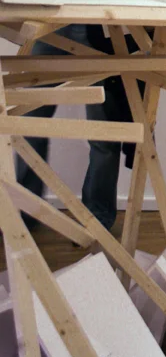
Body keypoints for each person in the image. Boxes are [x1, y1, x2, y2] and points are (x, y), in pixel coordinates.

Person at [16, 24, 141, 232]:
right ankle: (24, 211)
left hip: (97, 26)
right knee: (28, 122)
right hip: (50, 25)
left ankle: (97, 217)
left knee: (103, 133)